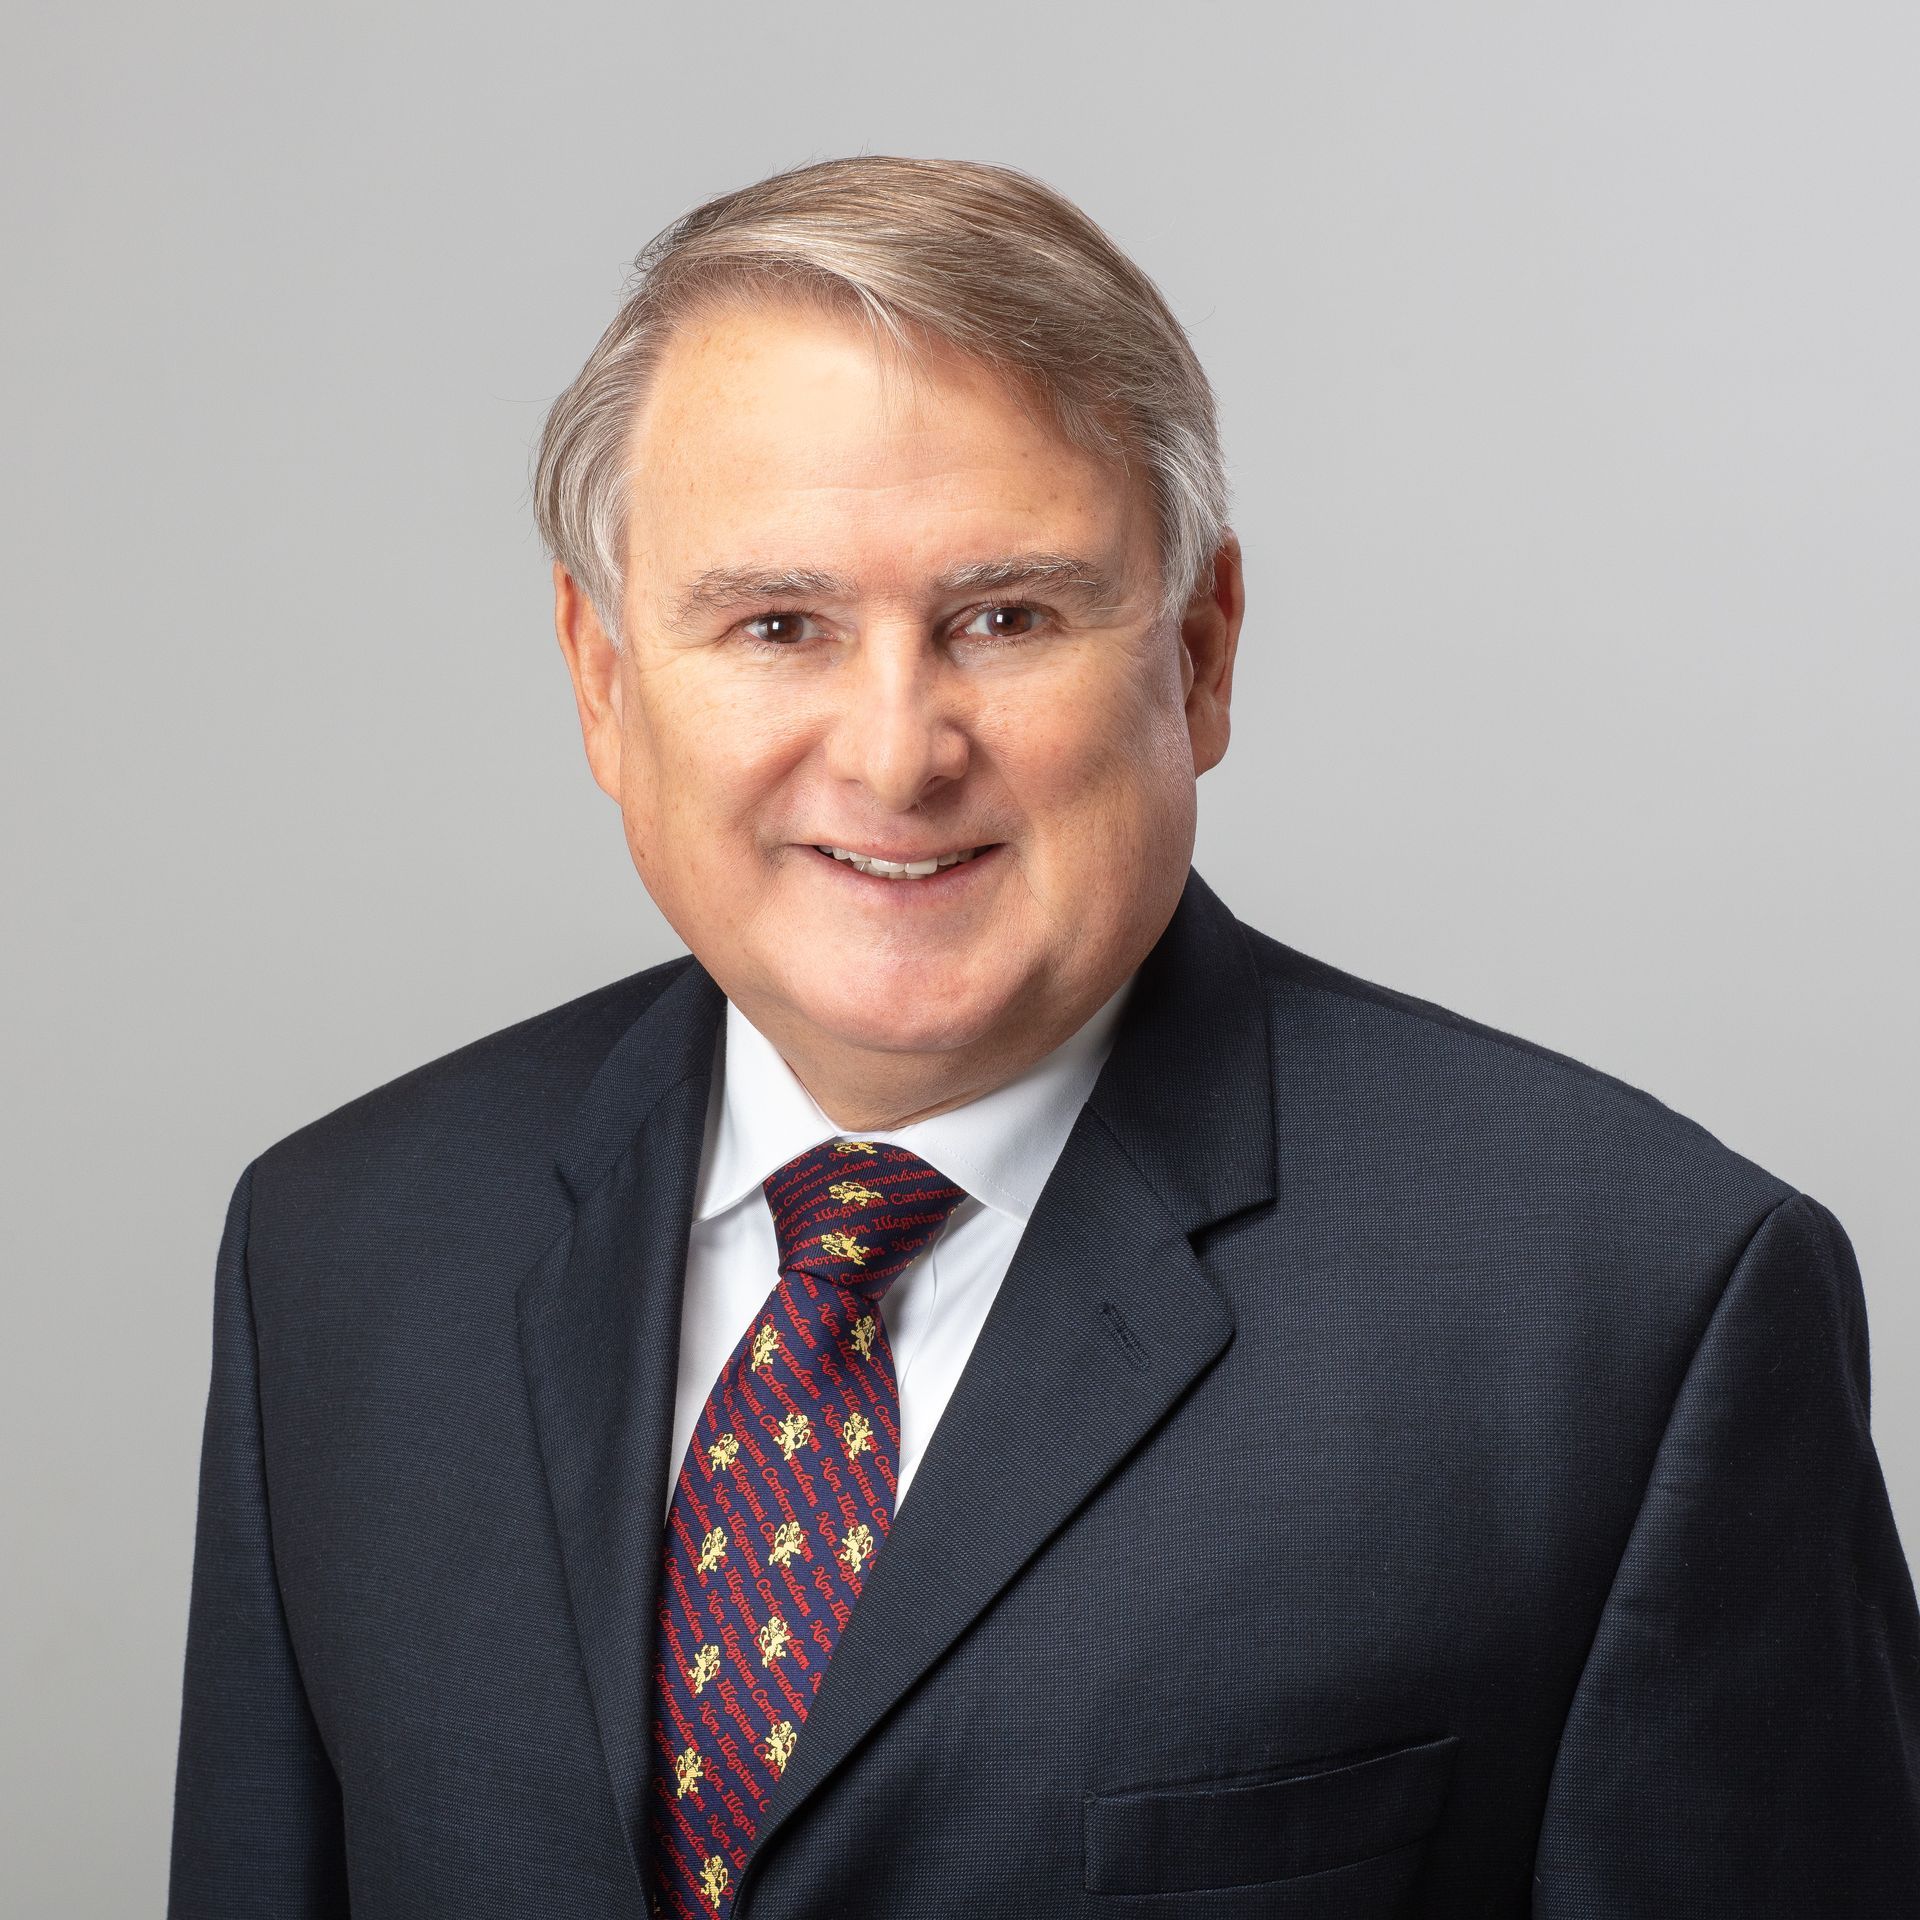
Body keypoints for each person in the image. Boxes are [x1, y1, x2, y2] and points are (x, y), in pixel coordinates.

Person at [167, 155, 1920, 1919]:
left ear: (1203, 652)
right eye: (777, 625)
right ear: (604, 683)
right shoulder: (337, 1252)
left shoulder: (1636, 1313)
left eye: (1003, 619)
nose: (895, 751)